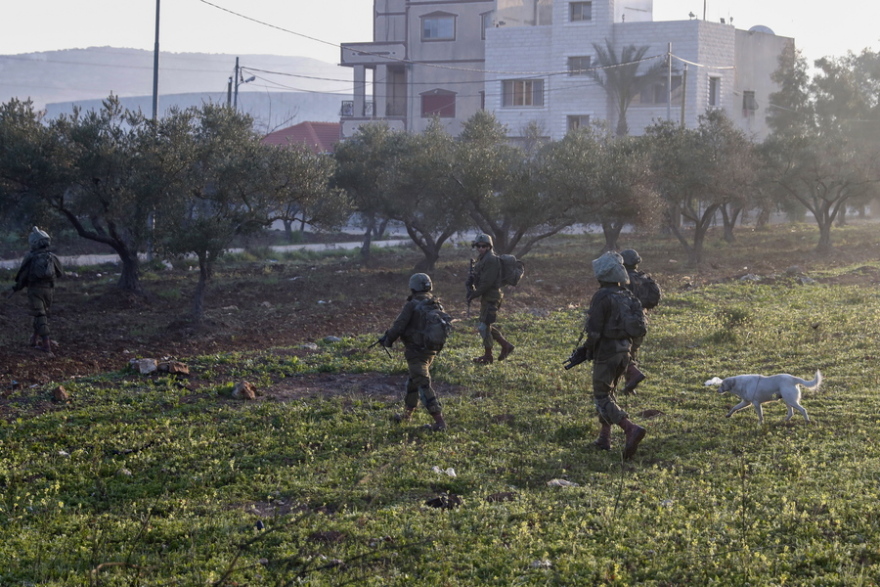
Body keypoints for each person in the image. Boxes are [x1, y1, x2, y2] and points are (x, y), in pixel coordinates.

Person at [580, 251, 646, 459]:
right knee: (610, 393)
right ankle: (604, 438)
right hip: (624, 351)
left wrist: (588, 349)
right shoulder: (627, 295)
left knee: (601, 396)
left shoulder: (602, 296)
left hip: (606, 351)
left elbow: (594, 330)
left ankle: (629, 428)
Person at [378, 273, 448, 431]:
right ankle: (407, 415)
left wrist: (387, 340)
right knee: (413, 383)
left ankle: (439, 422)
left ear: (412, 287)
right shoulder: (435, 303)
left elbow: (399, 325)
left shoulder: (413, 304)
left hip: (416, 351)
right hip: (430, 350)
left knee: (422, 383)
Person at [7, 227, 64, 355]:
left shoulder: (31, 257)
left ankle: (46, 346)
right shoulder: (52, 257)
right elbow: (60, 273)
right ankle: (34, 339)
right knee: (41, 315)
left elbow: (22, 277)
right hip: (49, 290)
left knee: (39, 315)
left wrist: (17, 287)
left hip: (34, 290)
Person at [466, 233, 514, 365]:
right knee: (486, 325)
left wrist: (473, 294)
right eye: (478, 246)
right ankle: (506, 345)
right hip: (487, 297)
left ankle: (488, 356)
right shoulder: (482, 259)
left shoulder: (491, 260)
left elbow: (486, 283)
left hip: (492, 297)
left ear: (489, 246)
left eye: (484, 246)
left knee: (483, 327)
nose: (480, 248)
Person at [620, 248, 660, 395]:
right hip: (642, 320)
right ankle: (630, 386)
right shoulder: (645, 279)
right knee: (632, 351)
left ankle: (631, 379)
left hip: (624, 321)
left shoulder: (622, 281)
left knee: (619, 352)